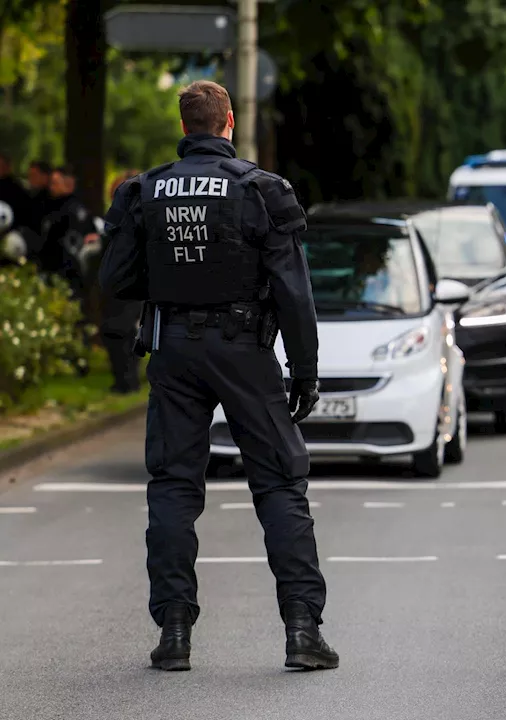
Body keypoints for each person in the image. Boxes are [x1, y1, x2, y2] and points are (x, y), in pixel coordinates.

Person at [98, 80, 338, 672]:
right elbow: (293, 294)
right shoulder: (261, 190)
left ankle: (174, 633)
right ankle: (302, 631)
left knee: (174, 487)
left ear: (185, 127)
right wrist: (303, 373)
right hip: (245, 351)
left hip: (174, 352)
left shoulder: (144, 192)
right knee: (280, 484)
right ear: (227, 121)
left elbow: (116, 281)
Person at [99, 169, 145, 393]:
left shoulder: (142, 218)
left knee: (127, 333)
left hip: (133, 289)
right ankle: (122, 381)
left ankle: (128, 382)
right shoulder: (112, 219)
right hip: (115, 289)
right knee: (112, 332)